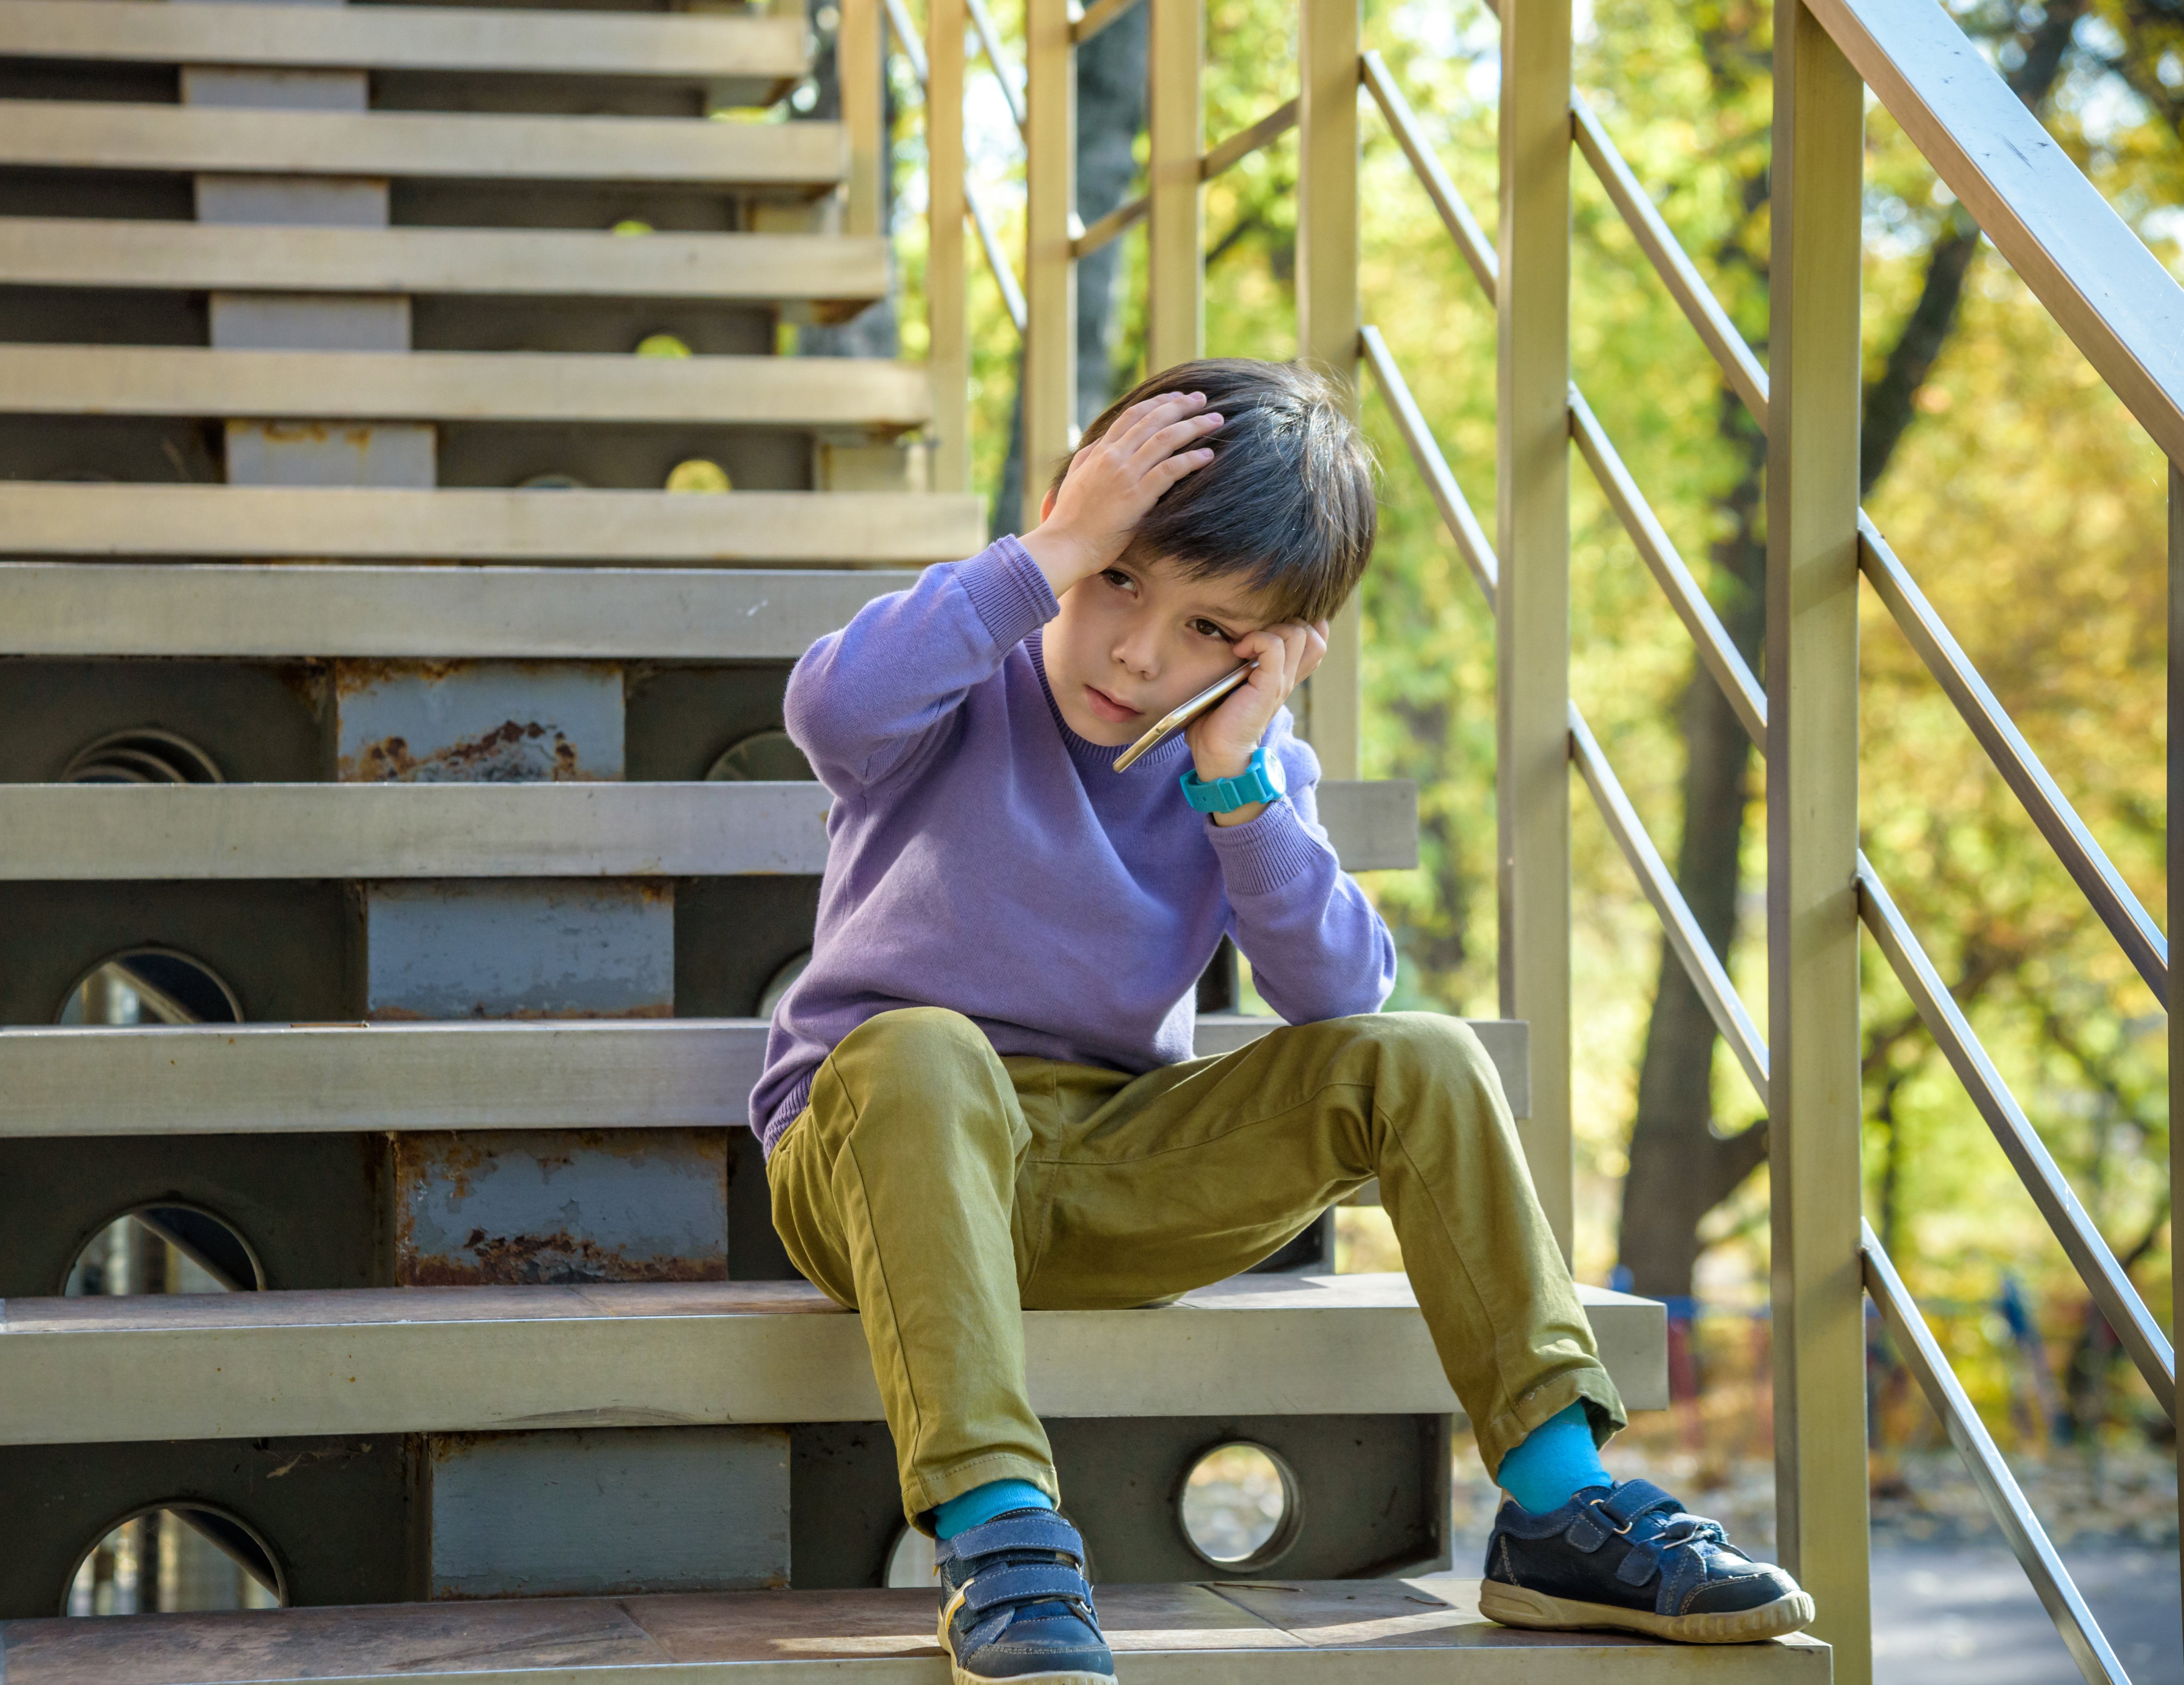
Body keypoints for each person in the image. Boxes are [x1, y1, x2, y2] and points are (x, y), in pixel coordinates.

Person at [751, 359, 1811, 1682]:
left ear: (1268, 650)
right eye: (1120, 580)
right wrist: (1050, 553)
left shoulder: (1236, 769)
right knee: (923, 1049)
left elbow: (1335, 1002)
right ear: (1063, 525)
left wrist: (1239, 784)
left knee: (1420, 1054)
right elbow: (828, 705)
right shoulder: (959, 678)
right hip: (876, 1154)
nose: (1139, 652)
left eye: (1209, 629)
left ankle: (1557, 1504)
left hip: (1109, 1166)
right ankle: (1001, 1530)